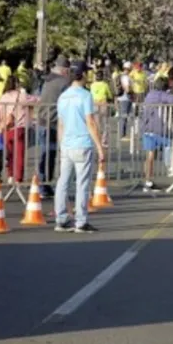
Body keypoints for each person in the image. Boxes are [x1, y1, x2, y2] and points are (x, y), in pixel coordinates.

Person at [52, 62, 104, 233]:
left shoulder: (63, 96)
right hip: (82, 144)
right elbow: (90, 122)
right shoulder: (85, 96)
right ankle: (81, 221)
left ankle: (61, 218)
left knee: (63, 182)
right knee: (82, 184)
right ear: (82, 75)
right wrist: (99, 146)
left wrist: (61, 145)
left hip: (67, 144)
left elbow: (61, 124)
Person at [37, 56, 71, 197]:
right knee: (49, 155)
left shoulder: (46, 80)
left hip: (42, 120)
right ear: (64, 70)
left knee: (46, 154)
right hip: (53, 122)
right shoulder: (63, 82)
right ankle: (43, 185)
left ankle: (45, 184)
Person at [0, 75, 38, 184]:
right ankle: (18, 177)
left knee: (10, 154)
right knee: (19, 154)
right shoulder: (21, 96)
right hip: (19, 128)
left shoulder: (3, 97)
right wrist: (23, 92)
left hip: (6, 128)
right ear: (17, 84)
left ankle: (10, 175)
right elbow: (37, 100)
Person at [141, 78, 173, 191]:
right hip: (158, 129)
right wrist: (170, 92)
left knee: (150, 156)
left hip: (147, 128)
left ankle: (148, 181)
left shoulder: (149, 95)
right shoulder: (160, 95)